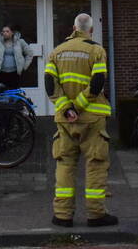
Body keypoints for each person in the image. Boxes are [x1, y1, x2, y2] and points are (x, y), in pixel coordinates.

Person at [45, 13, 118, 228]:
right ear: (91, 30)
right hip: (92, 119)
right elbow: (97, 83)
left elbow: (50, 85)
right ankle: (96, 215)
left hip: (65, 121)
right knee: (96, 164)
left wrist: (67, 109)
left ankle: (62, 215)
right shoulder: (96, 50)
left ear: (73, 27)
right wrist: (78, 105)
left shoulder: (56, 52)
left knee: (65, 165)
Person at [0, 25, 33, 91]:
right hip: (2, 73)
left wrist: (24, 66)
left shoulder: (20, 42)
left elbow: (29, 53)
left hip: (15, 73)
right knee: (2, 93)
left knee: (14, 92)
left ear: (12, 33)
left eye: (7, 31)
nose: (5, 33)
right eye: (3, 31)